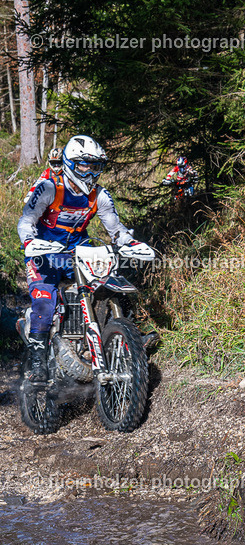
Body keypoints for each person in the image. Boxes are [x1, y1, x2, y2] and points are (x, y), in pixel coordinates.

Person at [17, 135, 152, 382]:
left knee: (112, 285)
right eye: (84, 165)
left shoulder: (100, 196)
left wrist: (131, 243)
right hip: (44, 254)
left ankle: (128, 337)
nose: (90, 171)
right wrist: (30, 242)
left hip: (78, 252)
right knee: (45, 303)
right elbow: (26, 220)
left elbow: (116, 229)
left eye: (95, 166)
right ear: (69, 163)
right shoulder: (49, 188)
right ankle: (36, 361)